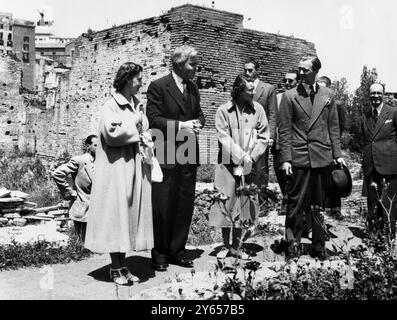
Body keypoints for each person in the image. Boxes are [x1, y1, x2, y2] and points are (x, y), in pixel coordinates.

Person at [84, 62, 154, 285]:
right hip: (116, 168)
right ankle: (115, 267)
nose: (141, 82)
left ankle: (123, 266)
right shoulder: (111, 105)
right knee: (117, 216)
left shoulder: (137, 104)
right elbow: (111, 132)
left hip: (134, 166)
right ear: (126, 79)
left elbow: (144, 129)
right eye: (138, 78)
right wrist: (133, 122)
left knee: (129, 216)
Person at [278, 56, 345, 260]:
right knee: (296, 203)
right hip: (299, 157)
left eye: (304, 70)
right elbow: (285, 131)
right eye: (298, 69)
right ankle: (293, 244)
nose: (300, 73)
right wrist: (286, 159)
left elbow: (333, 128)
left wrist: (337, 154)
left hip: (321, 157)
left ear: (315, 71)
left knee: (319, 204)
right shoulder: (290, 96)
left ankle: (318, 246)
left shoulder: (328, 95)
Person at [146, 45, 205, 272]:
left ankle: (177, 251)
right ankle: (160, 253)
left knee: (184, 204)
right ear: (179, 64)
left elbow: (199, 114)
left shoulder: (192, 87)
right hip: (167, 153)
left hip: (189, 153)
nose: (196, 69)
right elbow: (154, 119)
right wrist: (182, 126)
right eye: (193, 64)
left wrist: (198, 123)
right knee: (163, 205)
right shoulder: (158, 86)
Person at [211, 74, 269, 259]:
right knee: (225, 202)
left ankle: (238, 246)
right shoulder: (223, 110)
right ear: (238, 91)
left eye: (253, 90)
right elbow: (223, 136)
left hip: (249, 165)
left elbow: (263, 136)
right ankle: (225, 245)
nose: (253, 93)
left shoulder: (258, 109)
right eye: (249, 90)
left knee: (243, 206)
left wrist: (251, 157)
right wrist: (240, 155)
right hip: (227, 164)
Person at [361, 83, 397, 239]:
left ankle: (388, 237)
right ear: (369, 95)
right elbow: (366, 140)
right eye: (372, 93)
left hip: (389, 164)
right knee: (372, 203)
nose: (375, 96)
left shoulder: (393, 112)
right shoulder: (365, 116)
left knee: (388, 203)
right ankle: (373, 237)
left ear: (383, 94)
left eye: (378, 93)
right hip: (371, 165)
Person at [52, 134, 98, 242]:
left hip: (98, 208)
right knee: (81, 240)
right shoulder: (79, 160)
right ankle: (80, 253)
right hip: (82, 205)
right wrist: (70, 192)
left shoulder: (101, 162)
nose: (99, 148)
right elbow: (57, 173)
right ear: (88, 146)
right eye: (96, 145)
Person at [244, 60, 277, 204]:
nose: (247, 73)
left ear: (258, 70)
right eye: (245, 70)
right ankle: (246, 203)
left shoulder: (268, 89)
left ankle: (262, 204)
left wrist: (271, 136)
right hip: (244, 135)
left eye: (250, 70)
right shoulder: (242, 87)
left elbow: (273, 114)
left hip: (261, 136)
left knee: (260, 170)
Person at [318, 75, 346, 220]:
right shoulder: (314, 102)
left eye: (323, 86)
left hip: (330, 147)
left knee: (335, 178)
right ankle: (321, 208)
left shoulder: (337, 104)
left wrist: (333, 144)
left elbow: (339, 125)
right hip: (318, 149)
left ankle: (336, 208)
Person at [275, 69, 299, 196]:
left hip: (295, 143)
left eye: (291, 80)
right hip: (280, 142)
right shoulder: (277, 98)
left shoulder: (300, 98)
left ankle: (290, 199)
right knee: (280, 171)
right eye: (285, 80)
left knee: (294, 173)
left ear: (298, 82)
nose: (287, 83)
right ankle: (285, 196)